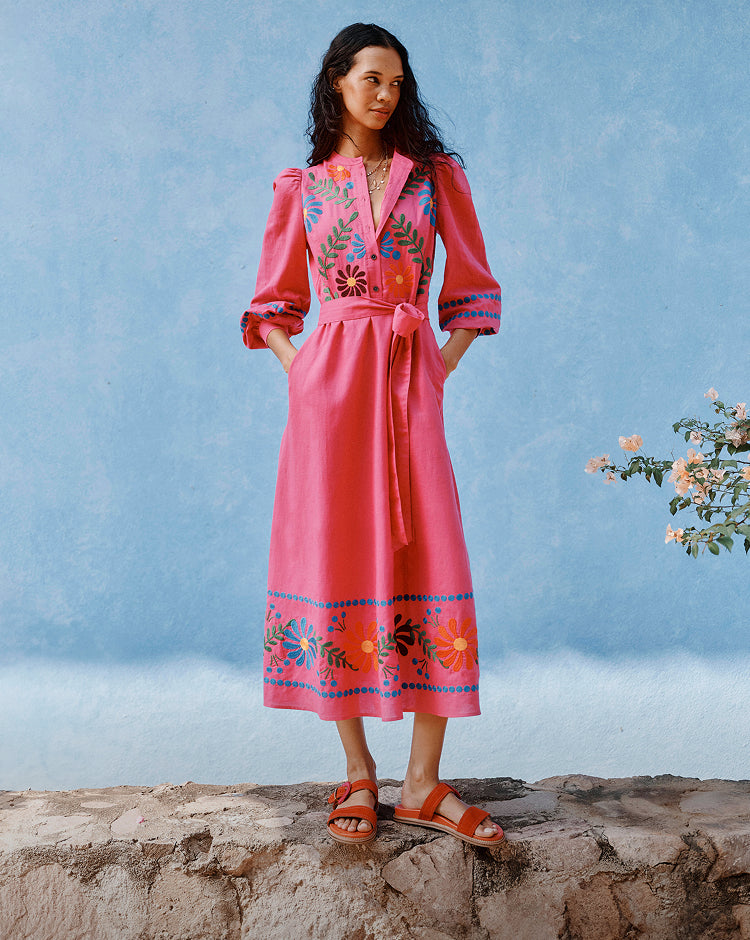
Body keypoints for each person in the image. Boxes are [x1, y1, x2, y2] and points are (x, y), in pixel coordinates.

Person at [241, 23, 504, 847]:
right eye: (371, 79)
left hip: (405, 380)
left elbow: (474, 289)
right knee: (336, 555)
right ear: (337, 84)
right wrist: (302, 364)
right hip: (329, 396)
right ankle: (359, 772)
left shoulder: (437, 180)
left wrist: (439, 362)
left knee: (432, 547)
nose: (386, 94)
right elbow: (271, 304)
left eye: (397, 81)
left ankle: (423, 782)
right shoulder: (304, 188)